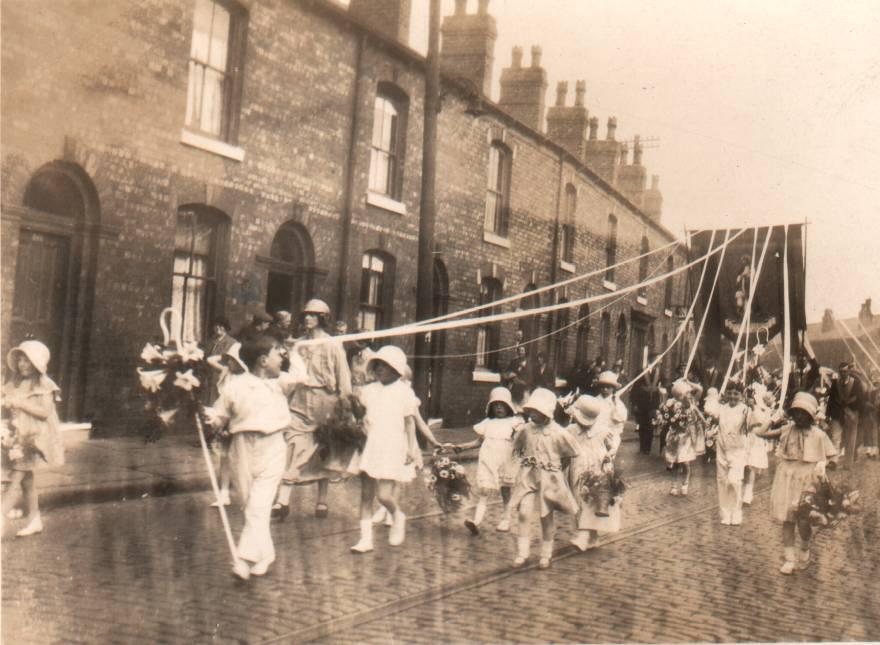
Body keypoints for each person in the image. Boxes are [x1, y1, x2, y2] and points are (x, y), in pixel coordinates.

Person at [203, 334, 305, 579]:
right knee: (250, 506)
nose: (280, 359)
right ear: (262, 361)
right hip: (242, 448)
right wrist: (210, 419)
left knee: (259, 506)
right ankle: (266, 553)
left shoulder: (280, 382)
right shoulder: (234, 386)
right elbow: (220, 416)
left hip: (273, 446)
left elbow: (302, 376)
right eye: (276, 354)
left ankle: (244, 560)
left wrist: (294, 352)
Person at [273, 299, 353, 521]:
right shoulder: (298, 344)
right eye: (306, 314)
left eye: (312, 315)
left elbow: (343, 377)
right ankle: (283, 501)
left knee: (322, 451)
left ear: (322, 318)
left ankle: (322, 500)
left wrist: (345, 407)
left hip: (325, 402)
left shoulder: (333, 344)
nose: (307, 318)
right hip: (299, 400)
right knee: (293, 445)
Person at [350, 345, 419, 553]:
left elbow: (410, 423)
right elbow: (361, 416)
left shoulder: (404, 392)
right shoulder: (368, 391)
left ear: (396, 369)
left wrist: (412, 448)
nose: (380, 369)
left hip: (392, 446)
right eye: (378, 365)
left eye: (385, 366)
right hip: (370, 444)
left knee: (384, 495)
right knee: (365, 494)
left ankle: (397, 514)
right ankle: (365, 539)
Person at [759, 392, 836, 575]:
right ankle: (789, 559)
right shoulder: (787, 430)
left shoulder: (819, 435)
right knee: (787, 520)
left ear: (810, 415)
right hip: (786, 477)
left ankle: (805, 548)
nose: (799, 416)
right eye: (796, 412)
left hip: (807, 479)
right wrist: (772, 419)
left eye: (804, 413)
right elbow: (760, 433)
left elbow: (833, 457)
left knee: (803, 521)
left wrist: (823, 464)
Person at [508, 388, 579, 569]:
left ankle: (546, 554)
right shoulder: (526, 430)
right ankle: (522, 553)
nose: (532, 415)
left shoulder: (558, 433)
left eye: (536, 412)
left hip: (549, 479)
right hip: (528, 477)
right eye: (530, 411)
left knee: (545, 516)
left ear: (546, 412)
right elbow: (517, 448)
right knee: (524, 512)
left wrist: (555, 471)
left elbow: (568, 455)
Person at [1, 341, 65, 537]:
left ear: (36, 364)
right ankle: (35, 519)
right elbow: (7, 403)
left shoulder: (44, 385)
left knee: (14, 479)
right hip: (16, 436)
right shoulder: (15, 383)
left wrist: (20, 403)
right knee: (26, 480)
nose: (22, 365)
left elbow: (45, 412)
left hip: (33, 439)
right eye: (19, 360)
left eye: (27, 361)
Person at [454, 387, 523, 535]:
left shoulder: (514, 423)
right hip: (488, 460)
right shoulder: (487, 423)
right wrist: (462, 446)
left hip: (505, 461)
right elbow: (478, 442)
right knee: (484, 490)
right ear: (491, 407)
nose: (498, 407)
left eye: (502, 404)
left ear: (508, 406)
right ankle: (476, 521)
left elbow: (520, 442)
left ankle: (506, 519)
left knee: (505, 490)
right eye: (495, 404)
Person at [566, 395, 620, 551]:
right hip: (576, 468)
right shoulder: (571, 430)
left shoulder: (603, 431)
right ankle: (593, 537)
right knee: (578, 500)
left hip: (596, 470)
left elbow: (613, 444)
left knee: (591, 500)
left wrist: (610, 454)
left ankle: (583, 536)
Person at [204, 343, 248, 507]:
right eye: (228, 360)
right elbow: (211, 360)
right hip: (224, 413)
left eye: (232, 360)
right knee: (225, 457)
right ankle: (224, 493)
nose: (229, 363)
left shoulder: (247, 378)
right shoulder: (226, 373)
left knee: (242, 457)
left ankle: (246, 492)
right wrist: (224, 357)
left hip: (238, 417)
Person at [656, 380, 700, 496]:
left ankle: (685, 484)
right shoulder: (671, 404)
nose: (688, 395)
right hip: (674, 435)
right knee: (674, 462)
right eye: (685, 393)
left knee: (685, 462)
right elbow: (664, 413)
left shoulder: (689, 406)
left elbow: (694, 419)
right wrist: (663, 419)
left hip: (685, 437)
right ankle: (674, 485)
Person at [714, 383, 748, 525]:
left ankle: (736, 512)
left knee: (734, 480)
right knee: (722, 481)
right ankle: (725, 514)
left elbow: (751, 425)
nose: (732, 396)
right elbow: (712, 419)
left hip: (738, 449)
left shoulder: (745, 409)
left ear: (741, 395)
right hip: (721, 448)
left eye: (736, 393)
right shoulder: (721, 409)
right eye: (730, 393)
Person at [826, 362, 863, 468]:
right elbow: (831, 399)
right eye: (841, 371)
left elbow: (860, 399)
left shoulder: (855, 383)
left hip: (851, 413)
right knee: (835, 436)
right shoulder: (835, 383)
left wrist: (857, 413)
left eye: (845, 371)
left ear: (849, 372)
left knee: (850, 438)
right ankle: (834, 461)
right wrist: (828, 414)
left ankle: (848, 463)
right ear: (839, 372)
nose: (843, 373)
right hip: (837, 413)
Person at [632, 355, 662, 454]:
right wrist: (635, 403)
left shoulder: (659, 372)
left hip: (653, 403)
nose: (660, 361)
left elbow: (664, 384)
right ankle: (642, 447)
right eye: (658, 359)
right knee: (642, 424)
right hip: (642, 403)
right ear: (652, 360)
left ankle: (647, 448)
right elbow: (635, 388)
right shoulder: (641, 371)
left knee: (650, 425)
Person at [595, 371, 628, 456]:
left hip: (612, 436)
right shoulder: (594, 401)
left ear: (613, 388)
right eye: (602, 387)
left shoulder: (618, 403)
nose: (605, 389)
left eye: (608, 387)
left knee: (608, 459)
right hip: (596, 435)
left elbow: (620, 419)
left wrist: (615, 404)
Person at [503, 345, 531, 411]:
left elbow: (530, 375)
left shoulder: (529, 363)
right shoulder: (514, 361)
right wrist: (510, 375)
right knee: (513, 406)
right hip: (514, 387)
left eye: (522, 351)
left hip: (524, 388)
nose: (520, 352)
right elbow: (507, 372)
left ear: (525, 352)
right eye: (519, 351)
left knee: (523, 407)